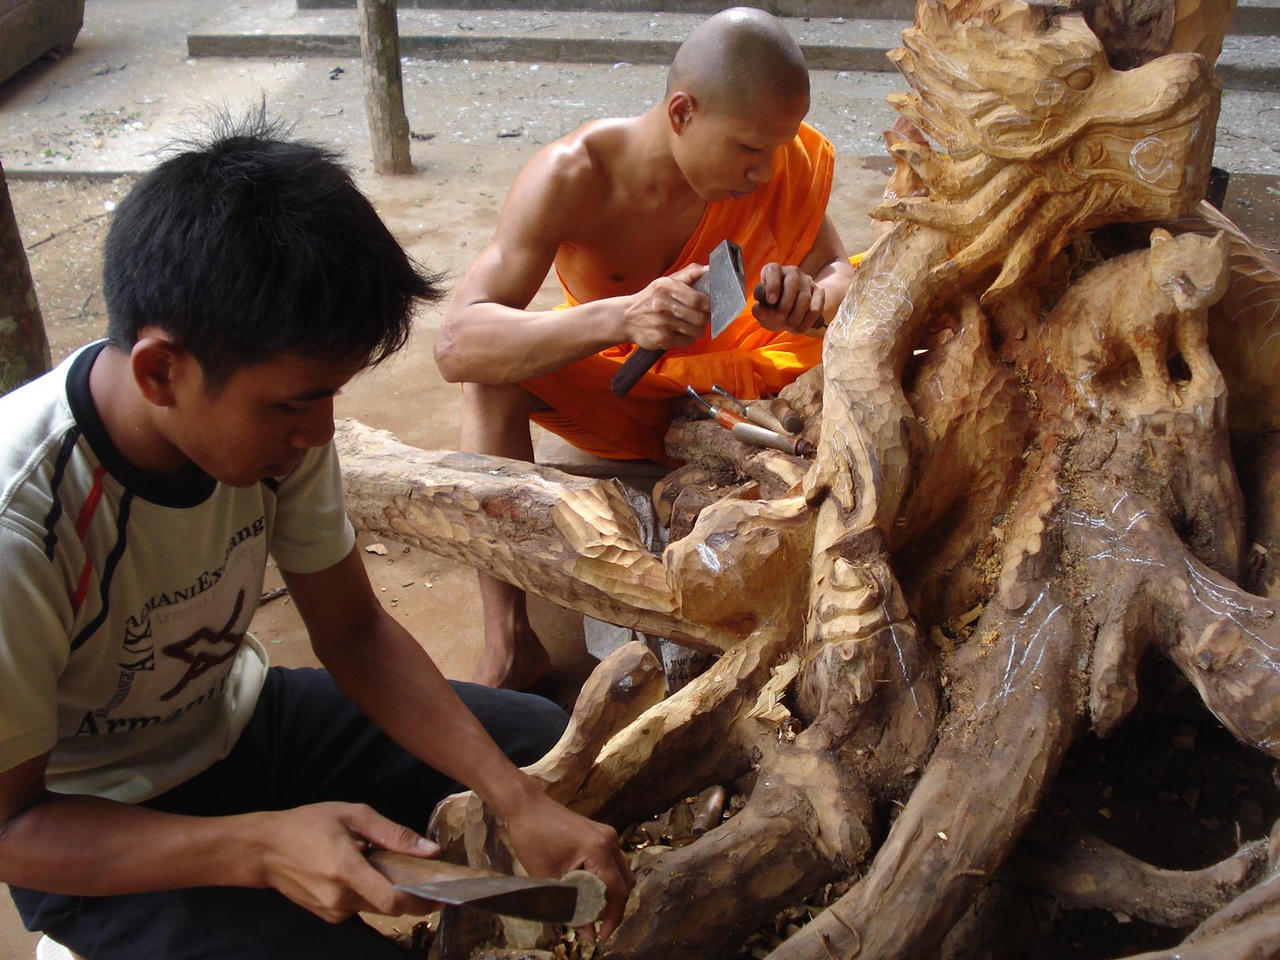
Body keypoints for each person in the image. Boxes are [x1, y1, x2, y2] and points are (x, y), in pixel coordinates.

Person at [0, 115, 632, 960]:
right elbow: (13, 827)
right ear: (160, 372)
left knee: (553, 751)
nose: (321, 431)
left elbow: (356, 632)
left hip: (238, 721)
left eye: (331, 394)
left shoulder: (272, 427)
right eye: (295, 402)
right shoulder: (20, 527)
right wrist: (258, 847)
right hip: (103, 827)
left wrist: (515, 799)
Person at [435, 7, 858, 690]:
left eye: (777, 150)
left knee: (894, 309)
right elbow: (458, 344)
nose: (765, 174)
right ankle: (510, 638)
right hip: (627, 388)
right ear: (682, 111)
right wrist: (622, 317)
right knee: (491, 374)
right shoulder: (571, 176)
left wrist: (810, 298)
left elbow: (841, 272)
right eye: (750, 150)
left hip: (748, 386)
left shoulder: (782, 164)